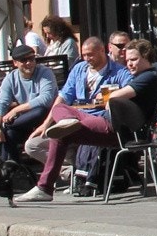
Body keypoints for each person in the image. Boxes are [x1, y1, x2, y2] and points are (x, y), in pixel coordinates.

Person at [22, 39, 157, 202]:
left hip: (117, 131)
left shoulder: (149, 77)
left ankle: (44, 188)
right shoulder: (139, 76)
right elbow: (109, 98)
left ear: (146, 57)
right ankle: (66, 124)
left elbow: (116, 96)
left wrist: (110, 98)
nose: (129, 64)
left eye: (133, 60)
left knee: (61, 133)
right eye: (128, 60)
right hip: (108, 122)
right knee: (59, 110)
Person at [22, 36, 131, 170]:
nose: (86, 59)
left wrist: (112, 95)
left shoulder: (119, 71)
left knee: (64, 138)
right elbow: (63, 97)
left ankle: (82, 170)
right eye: (84, 55)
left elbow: (131, 90)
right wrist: (45, 124)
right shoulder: (79, 69)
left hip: (100, 123)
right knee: (32, 145)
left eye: (90, 55)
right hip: (74, 122)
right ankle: (73, 170)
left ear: (102, 50)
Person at [0, 45, 57, 165]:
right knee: (9, 135)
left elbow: (46, 100)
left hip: (47, 120)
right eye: (24, 60)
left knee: (39, 110)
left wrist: (16, 110)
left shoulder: (45, 73)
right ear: (15, 63)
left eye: (32, 59)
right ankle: (11, 170)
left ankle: (5, 128)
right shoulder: (10, 78)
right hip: (24, 124)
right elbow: (1, 103)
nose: (29, 63)